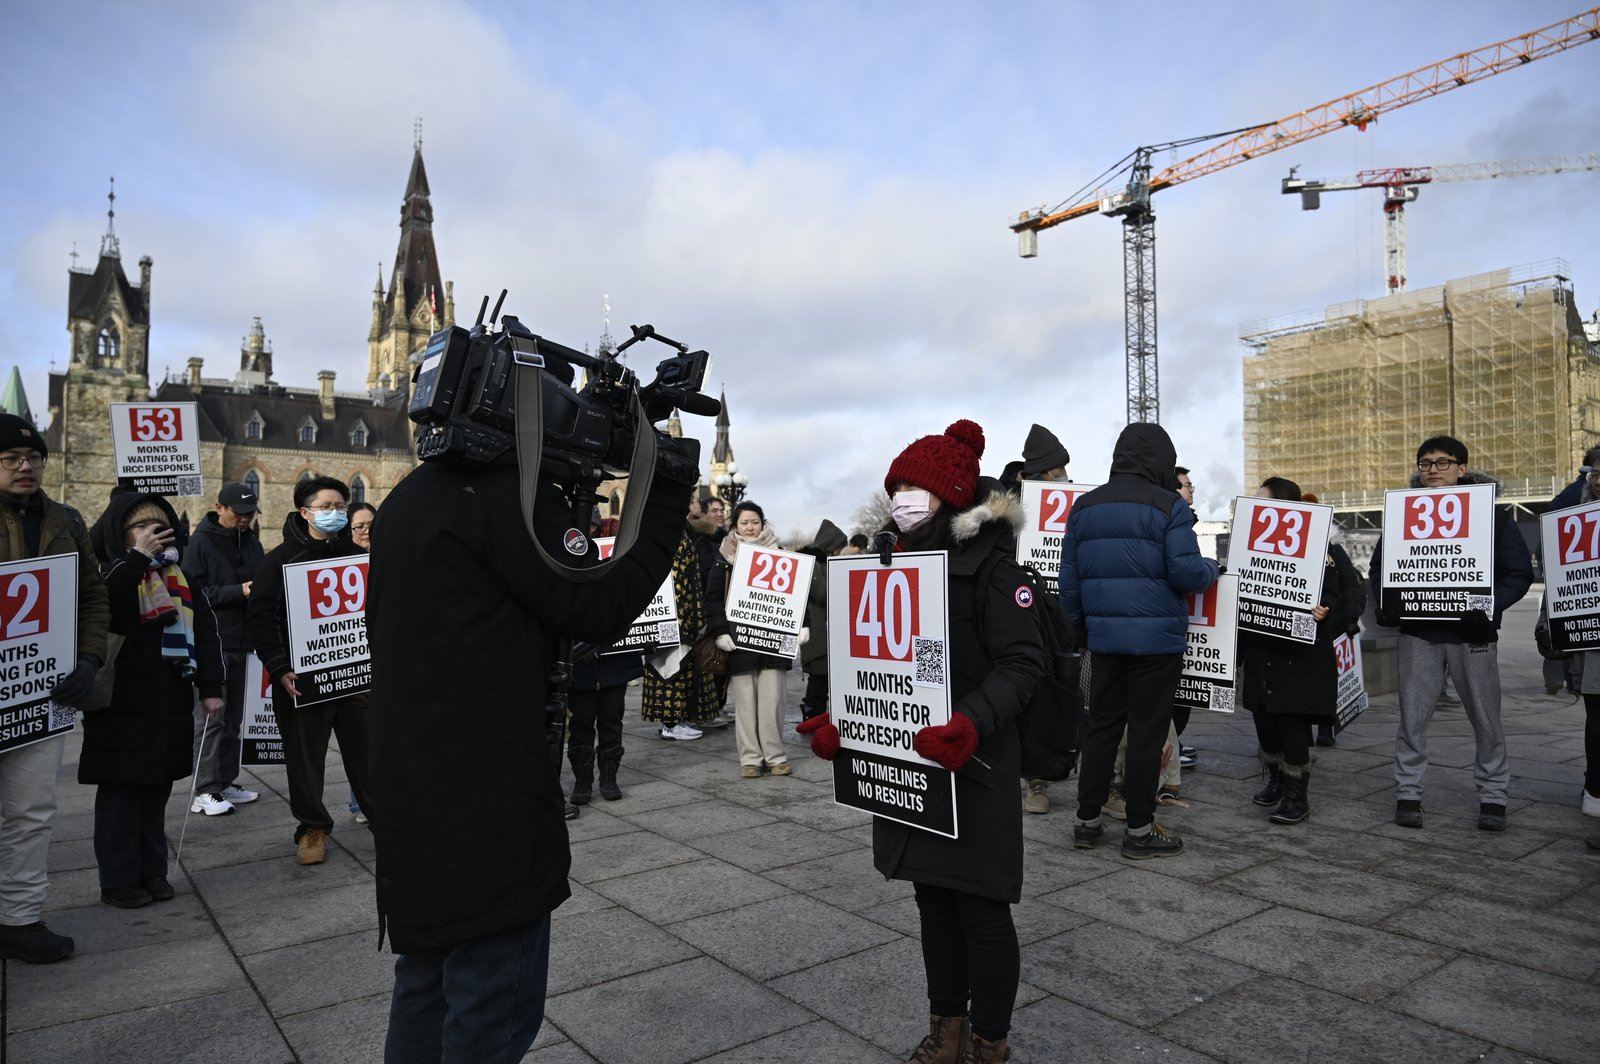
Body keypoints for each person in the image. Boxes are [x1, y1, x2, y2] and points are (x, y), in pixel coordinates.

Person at [366, 427, 693, 1063]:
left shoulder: (411, 495)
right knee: (488, 1012)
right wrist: (667, 488)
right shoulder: (504, 498)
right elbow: (600, 607)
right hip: (487, 800)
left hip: (414, 789)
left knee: (426, 986)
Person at [799, 419, 1044, 1064]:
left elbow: (1023, 663)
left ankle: (990, 1041)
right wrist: (840, 722)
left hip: (974, 763)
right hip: (906, 765)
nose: (904, 497)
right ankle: (947, 1030)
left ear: (952, 496)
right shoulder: (882, 562)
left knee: (982, 913)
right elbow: (872, 664)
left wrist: (970, 722)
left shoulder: (994, 567)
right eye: (897, 485)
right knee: (933, 905)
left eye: (918, 487)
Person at [1062, 423, 1216, 860]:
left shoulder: (1085, 506)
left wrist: (1078, 627)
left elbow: (1069, 577)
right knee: (1147, 734)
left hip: (1103, 640)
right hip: (1156, 642)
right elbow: (1186, 573)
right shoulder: (1170, 505)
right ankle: (1139, 830)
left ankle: (1087, 822)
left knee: (1099, 729)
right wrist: (1211, 568)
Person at [1370, 436, 1533, 831]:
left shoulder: (1493, 516)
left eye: (1443, 462)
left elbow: (1519, 574)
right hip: (1419, 633)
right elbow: (1379, 571)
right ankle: (1408, 793)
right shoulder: (1401, 514)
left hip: (1472, 636)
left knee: (1486, 719)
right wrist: (1387, 603)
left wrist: (1489, 608)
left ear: (1463, 468)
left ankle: (1493, 795)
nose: (1433, 470)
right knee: (1412, 718)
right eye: (1425, 463)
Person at [0, 416, 109, 963]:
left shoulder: (65, 519)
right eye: (11, 458)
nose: (25, 466)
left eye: (33, 457)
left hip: (42, 691)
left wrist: (90, 658)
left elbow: (90, 595)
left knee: (32, 811)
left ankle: (19, 918)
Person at [83, 493, 225, 907]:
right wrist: (137, 560)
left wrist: (212, 688)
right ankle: (119, 880)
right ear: (122, 535)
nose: (153, 537)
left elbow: (206, 632)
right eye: (142, 529)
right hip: (121, 703)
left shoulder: (181, 577)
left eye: (159, 529)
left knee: (154, 793)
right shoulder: (112, 571)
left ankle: (152, 871)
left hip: (168, 700)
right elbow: (103, 605)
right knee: (121, 797)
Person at [246, 475, 375, 865]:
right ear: (305, 512)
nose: (335, 513)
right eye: (326, 507)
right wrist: (279, 666)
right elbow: (262, 619)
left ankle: (386, 821)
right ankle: (312, 827)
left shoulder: (359, 556)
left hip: (355, 676)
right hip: (303, 680)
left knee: (370, 754)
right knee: (305, 759)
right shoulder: (279, 560)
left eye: (341, 506)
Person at [1238, 478, 1365, 824]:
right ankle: (1276, 780)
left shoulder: (1321, 550)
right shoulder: (1249, 546)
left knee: (1291, 724)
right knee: (1264, 721)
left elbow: (1339, 593)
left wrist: (1325, 608)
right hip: (1261, 651)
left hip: (1297, 654)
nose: (1257, 507)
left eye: (1264, 501)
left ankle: (1297, 795)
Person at [182, 482, 265, 817]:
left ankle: (225, 780)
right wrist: (238, 592)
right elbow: (192, 594)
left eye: (249, 514)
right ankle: (204, 789)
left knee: (234, 718)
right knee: (212, 717)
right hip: (215, 640)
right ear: (220, 508)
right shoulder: (199, 543)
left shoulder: (252, 540)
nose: (244, 519)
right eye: (239, 514)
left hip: (245, 640)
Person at [707, 500, 796, 777]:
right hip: (738, 639)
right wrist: (720, 631)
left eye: (754, 522)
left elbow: (795, 592)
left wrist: (800, 625)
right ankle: (750, 759)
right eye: (744, 522)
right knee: (745, 701)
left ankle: (775, 756)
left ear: (763, 523)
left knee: (773, 701)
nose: (749, 527)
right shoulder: (724, 556)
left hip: (772, 638)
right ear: (735, 526)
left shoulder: (778, 552)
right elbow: (712, 598)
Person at [1015, 424, 1071, 815]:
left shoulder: (1074, 502)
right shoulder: (1011, 506)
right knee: (1031, 693)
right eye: (1060, 470)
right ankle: (1033, 777)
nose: (1065, 476)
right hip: (1025, 612)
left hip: (1060, 612)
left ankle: (1050, 767)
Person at [641, 490, 723, 741]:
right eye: (697, 501)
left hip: (682, 616)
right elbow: (676, 578)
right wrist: (683, 619)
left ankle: (676, 720)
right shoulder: (675, 533)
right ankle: (671, 724)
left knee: (681, 669)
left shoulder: (682, 530)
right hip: (676, 617)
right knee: (671, 669)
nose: (700, 504)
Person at [345, 500, 377, 824]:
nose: (366, 531)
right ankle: (360, 802)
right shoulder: (340, 564)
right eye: (359, 526)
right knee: (359, 735)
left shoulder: (389, 558)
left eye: (371, 524)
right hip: (352, 658)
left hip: (382, 654)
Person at [798, 519, 849, 720]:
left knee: (823, 679)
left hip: (825, 633)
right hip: (818, 634)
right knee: (819, 679)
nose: (839, 552)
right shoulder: (812, 564)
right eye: (837, 548)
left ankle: (815, 714)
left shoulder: (822, 563)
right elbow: (822, 593)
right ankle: (812, 715)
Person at [1172, 466, 1199, 768]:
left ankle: (1172, 743)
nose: (1191, 490)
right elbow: (1184, 571)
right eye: (1186, 485)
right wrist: (1206, 570)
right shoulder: (1175, 523)